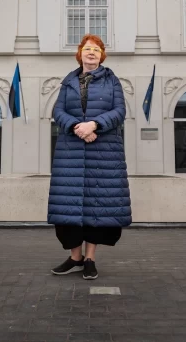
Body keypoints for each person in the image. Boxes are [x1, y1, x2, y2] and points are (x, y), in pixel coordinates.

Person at [48, 34, 131, 280]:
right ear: (80, 54)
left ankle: (90, 259)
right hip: (71, 152)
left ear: (102, 56)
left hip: (103, 152)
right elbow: (58, 111)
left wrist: (94, 125)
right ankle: (75, 258)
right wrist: (77, 128)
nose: (91, 52)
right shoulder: (68, 82)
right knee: (68, 207)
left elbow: (120, 111)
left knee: (98, 206)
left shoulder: (112, 81)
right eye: (87, 49)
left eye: (96, 49)